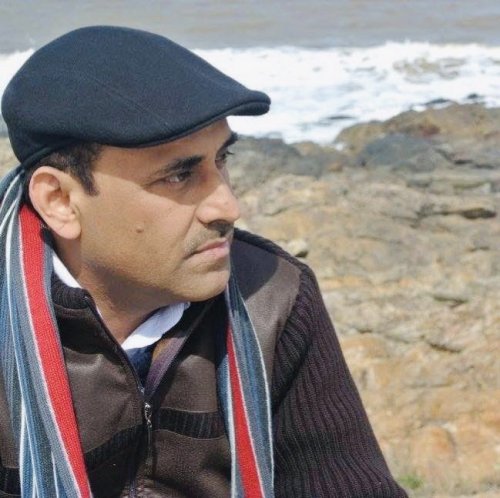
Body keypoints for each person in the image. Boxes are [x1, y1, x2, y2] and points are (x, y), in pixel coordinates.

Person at [0, 26, 407, 498]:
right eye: (178, 175)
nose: (228, 207)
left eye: (222, 159)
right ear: (60, 201)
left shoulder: (272, 298)